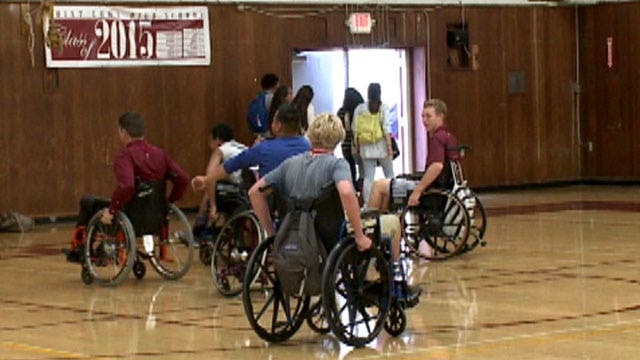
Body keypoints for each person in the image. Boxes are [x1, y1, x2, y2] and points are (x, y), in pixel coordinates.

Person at [248, 113, 419, 298]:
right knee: (392, 222)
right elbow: (346, 192)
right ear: (338, 138)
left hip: (295, 232)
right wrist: (359, 236)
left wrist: (272, 234)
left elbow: (254, 192)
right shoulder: (337, 165)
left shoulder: (289, 164)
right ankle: (396, 280)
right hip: (331, 236)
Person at [63, 112, 190, 262]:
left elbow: (127, 187)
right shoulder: (160, 154)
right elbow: (183, 179)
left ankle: (81, 249)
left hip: (131, 215)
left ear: (123, 132)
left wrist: (111, 211)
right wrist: (169, 203)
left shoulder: (125, 156)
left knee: (87, 201)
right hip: (156, 215)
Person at [191, 103, 310, 191]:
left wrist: (206, 179)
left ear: (278, 125)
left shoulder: (264, 148)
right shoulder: (307, 145)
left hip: (273, 206)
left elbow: (231, 165)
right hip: (305, 204)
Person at [368, 98, 458, 211]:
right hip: (440, 187)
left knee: (378, 185)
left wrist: (417, 191)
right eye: (422, 116)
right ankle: (384, 224)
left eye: (428, 116)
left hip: (430, 191)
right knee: (388, 189)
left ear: (440, 117)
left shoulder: (437, 138)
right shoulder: (449, 136)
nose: (424, 120)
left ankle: (368, 224)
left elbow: (437, 166)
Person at [192, 124, 247, 237]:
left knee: (209, 186)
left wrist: (213, 207)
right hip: (248, 191)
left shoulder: (220, 150)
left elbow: (210, 175)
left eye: (209, 140)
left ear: (217, 140)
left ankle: (199, 230)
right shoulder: (244, 148)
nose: (209, 144)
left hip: (235, 192)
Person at [352, 83, 395, 204]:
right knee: (389, 175)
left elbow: (355, 130)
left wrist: (358, 147)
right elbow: (387, 129)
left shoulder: (359, 109)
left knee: (368, 177)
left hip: (366, 148)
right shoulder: (383, 108)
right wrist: (390, 148)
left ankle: (368, 204)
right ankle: (391, 201)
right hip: (382, 147)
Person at [337, 87, 365, 190]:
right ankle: (363, 193)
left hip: (346, 146)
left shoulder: (340, 112)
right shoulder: (361, 112)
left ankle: (352, 191)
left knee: (350, 171)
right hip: (360, 146)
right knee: (364, 172)